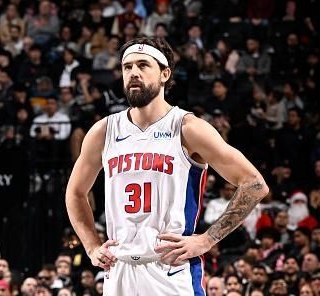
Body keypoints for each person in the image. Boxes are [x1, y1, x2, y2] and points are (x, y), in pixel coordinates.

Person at [65, 36, 269, 295]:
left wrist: (207, 240)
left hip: (171, 271)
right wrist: (92, 246)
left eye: (143, 65)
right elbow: (75, 193)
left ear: (165, 74)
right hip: (119, 270)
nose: (133, 73)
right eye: (127, 67)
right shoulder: (104, 131)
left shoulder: (187, 128)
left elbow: (255, 184)